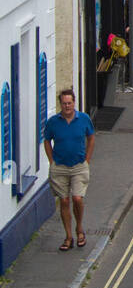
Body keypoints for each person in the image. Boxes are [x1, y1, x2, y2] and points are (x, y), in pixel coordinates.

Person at [42, 88, 95, 251]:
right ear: (60, 104)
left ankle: (79, 229)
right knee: (64, 201)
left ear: (74, 103)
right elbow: (47, 141)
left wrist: (87, 160)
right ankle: (68, 236)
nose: (67, 106)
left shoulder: (84, 119)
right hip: (60, 167)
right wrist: (52, 162)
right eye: (64, 103)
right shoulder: (53, 122)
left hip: (79, 166)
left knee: (77, 198)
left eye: (70, 103)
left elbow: (91, 138)